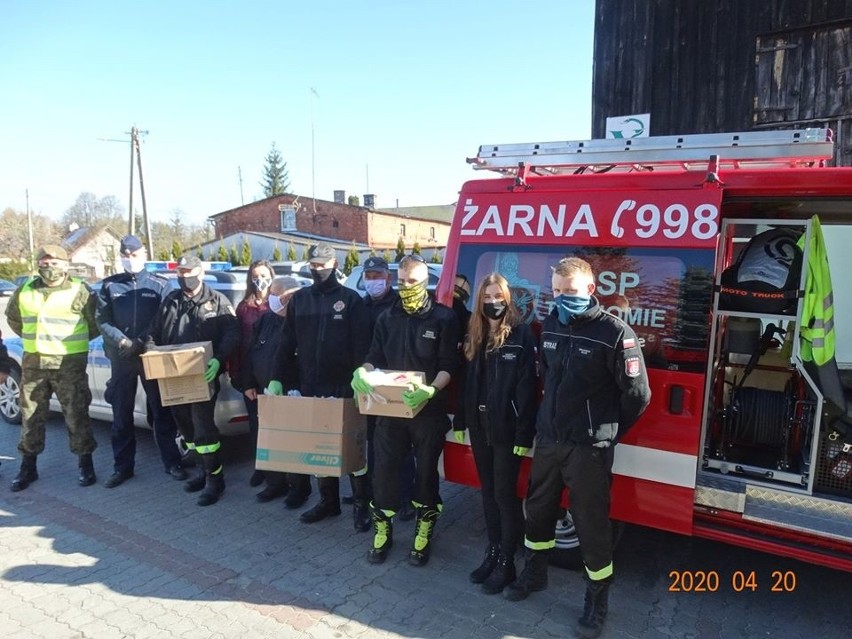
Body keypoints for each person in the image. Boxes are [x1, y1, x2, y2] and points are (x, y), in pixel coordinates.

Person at [502, 257, 651, 639]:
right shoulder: (552, 323)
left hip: (589, 448)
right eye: (555, 291)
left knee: (591, 526)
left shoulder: (616, 333)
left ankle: (597, 601)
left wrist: (606, 431)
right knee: (537, 513)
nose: (561, 298)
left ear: (589, 290)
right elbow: (548, 380)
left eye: (569, 292)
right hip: (550, 440)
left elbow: (638, 395)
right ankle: (534, 576)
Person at [351, 254, 460, 566]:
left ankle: (423, 531)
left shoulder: (443, 319)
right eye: (401, 282)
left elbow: (448, 365)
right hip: (391, 411)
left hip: (428, 412)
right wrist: (364, 371)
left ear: (425, 283)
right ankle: (382, 531)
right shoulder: (387, 317)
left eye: (412, 282)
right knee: (383, 473)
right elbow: (374, 354)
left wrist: (431, 389)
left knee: (425, 475)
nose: (406, 287)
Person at [269, 243, 372, 525]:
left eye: (322, 265)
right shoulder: (301, 300)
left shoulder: (351, 300)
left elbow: (364, 346)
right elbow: (286, 342)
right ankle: (329, 502)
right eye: (313, 265)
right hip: (311, 386)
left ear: (334, 263)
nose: (317, 270)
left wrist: (359, 377)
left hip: (346, 387)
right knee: (319, 448)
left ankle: (362, 504)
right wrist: (277, 377)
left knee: (354, 449)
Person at [452, 273, 537, 594]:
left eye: (498, 297)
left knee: (504, 494)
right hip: (478, 424)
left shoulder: (520, 334)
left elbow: (528, 389)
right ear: (479, 301)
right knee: (487, 491)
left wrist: (523, 434)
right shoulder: (473, 332)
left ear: (507, 299)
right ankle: (492, 550)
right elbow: (465, 384)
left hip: (506, 428)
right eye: (487, 297)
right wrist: (460, 420)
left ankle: (507, 561)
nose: (493, 303)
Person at [147, 256, 239, 506]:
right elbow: (154, 333)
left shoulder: (216, 300)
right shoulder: (171, 301)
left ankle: (215, 481)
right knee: (186, 429)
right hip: (174, 377)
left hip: (203, 376)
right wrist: (151, 353)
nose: (184, 275)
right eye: (180, 271)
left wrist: (219, 360)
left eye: (188, 271)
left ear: (199, 272)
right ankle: (201, 471)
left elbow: (232, 333)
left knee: (204, 429)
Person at [6, 244, 100, 491]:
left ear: (66, 265)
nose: (49, 268)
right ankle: (28, 467)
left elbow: (94, 324)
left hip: (68, 364)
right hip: (34, 363)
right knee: (30, 416)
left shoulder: (81, 290)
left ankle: (85, 464)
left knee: (76, 414)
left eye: (55, 263)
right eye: (44, 263)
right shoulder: (24, 290)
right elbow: (14, 319)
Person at [95, 235, 186, 488]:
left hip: (150, 355)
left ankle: (172, 463)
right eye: (125, 255)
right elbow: (102, 320)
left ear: (144, 255)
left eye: (134, 255)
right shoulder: (109, 286)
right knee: (121, 414)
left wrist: (142, 341)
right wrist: (123, 341)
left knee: (161, 412)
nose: (129, 259)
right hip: (121, 357)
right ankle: (122, 467)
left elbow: (165, 318)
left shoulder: (159, 284)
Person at [360, 256, 417, 522]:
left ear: (389, 278)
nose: (373, 281)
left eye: (378, 275)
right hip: (367, 383)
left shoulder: (399, 305)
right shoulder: (359, 306)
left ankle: (405, 497)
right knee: (373, 443)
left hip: (394, 384)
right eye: (368, 276)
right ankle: (375, 492)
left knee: (401, 448)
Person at [240, 275, 303, 502]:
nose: (271, 298)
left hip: (292, 393)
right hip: (264, 394)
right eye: (271, 294)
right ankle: (274, 483)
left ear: (290, 297)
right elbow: (251, 353)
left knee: (293, 443)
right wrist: (248, 383)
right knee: (269, 440)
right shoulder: (264, 321)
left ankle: (298, 488)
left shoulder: (301, 323)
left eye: (276, 295)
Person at [228, 259, 275, 490]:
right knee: (256, 425)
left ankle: (278, 471)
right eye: (256, 276)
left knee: (275, 425)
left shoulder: (277, 304)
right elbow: (239, 344)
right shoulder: (244, 307)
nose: (261, 280)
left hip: (273, 373)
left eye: (264, 275)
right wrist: (240, 378)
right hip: (250, 375)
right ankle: (261, 467)